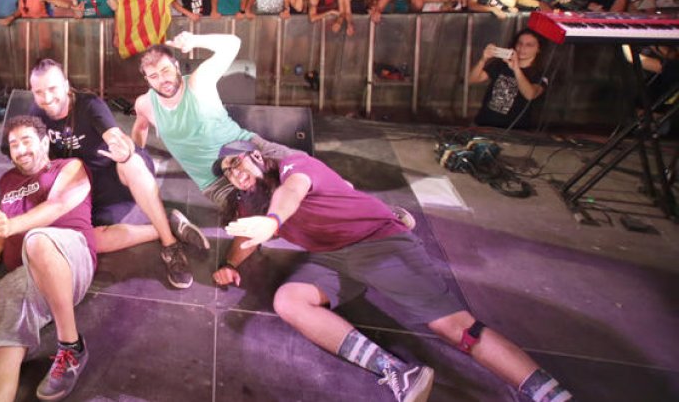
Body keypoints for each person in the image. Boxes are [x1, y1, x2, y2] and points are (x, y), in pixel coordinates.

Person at [213, 138, 572, 402]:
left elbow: (290, 194)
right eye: (228, 172)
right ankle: (397, 372)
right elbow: (247, 237)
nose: (235, 173)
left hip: (378, 243)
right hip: (333, 257)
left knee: (454, 327)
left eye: (238, 163)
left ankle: (552, 395)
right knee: (288, 301)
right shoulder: (251, 202)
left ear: (257, 157)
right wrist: (229, 264)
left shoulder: (295, 166)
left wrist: (273, 221)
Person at [27, 59, 208, 289]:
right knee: (89, 239)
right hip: (87, 187)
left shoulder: (89, 104)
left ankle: (170, 244)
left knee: (130, 162)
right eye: (39, 92)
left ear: (65, 85)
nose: (47, 98)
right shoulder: (35, 112)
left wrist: (123, 149)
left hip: (115, 171)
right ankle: (164, 224)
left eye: (52, 89)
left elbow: (114, 134)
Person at [0, 116, 95, 402]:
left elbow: (58, 205)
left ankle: (72, 345)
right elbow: (14, 215)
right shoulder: (7, 180)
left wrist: (13, 228)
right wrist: (2, 239)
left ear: (44, 141)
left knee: (37, 240)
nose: (20, 149)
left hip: (67, 258)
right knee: (3, 339)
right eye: (13, 145)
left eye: (26, 140)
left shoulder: (70, 167)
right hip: (24, 275)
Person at [131, 32, 255, 209]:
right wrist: (137, 158)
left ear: (177, 67)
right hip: (214, 182)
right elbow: (140, 127)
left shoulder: (199, 83)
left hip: (245, 156)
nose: (162, 80)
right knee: (254, 217)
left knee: (296, 188)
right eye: (154, 76)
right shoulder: (145, 104)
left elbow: (233, 44)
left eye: (165, 71)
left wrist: (195, 40)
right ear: (147, 80)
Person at [469, 29, 548, 130]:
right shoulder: (501, 64)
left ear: (538, 49)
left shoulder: (540, 73)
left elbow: (530, 95)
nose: (522, 48)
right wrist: (483, 59)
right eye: (520, 43)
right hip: (484, 124)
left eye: (529, 45)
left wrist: (516, 69)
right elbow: (472, 79)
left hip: (514, 130)